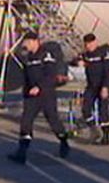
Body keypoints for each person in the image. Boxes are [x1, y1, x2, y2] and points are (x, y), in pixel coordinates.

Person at [8, 32, 70, 165]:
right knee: (26, 121)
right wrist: (26, 92)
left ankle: (64, 141)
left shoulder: (46, 55)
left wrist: (39, 87)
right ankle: (21, 153)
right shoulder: (29, 57)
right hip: (32, 96)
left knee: (53, 121)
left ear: (34, 41)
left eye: (27, 42)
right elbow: (27, 77)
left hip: (46, 93)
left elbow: (51, 75)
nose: (25, 45)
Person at [78, 33, 109, 145]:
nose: (88, 46)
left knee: (103, 112)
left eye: (90, 44)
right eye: (86, 44)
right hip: (91, 86)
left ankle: (105, 137)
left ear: (95, 42)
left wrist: (105, 87)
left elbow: (107, 71)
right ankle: (94, 130)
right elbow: (76, 60)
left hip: (102, 85)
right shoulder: (86, 55)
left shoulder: (103, 53)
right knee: (85, 109)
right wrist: (78, 62)